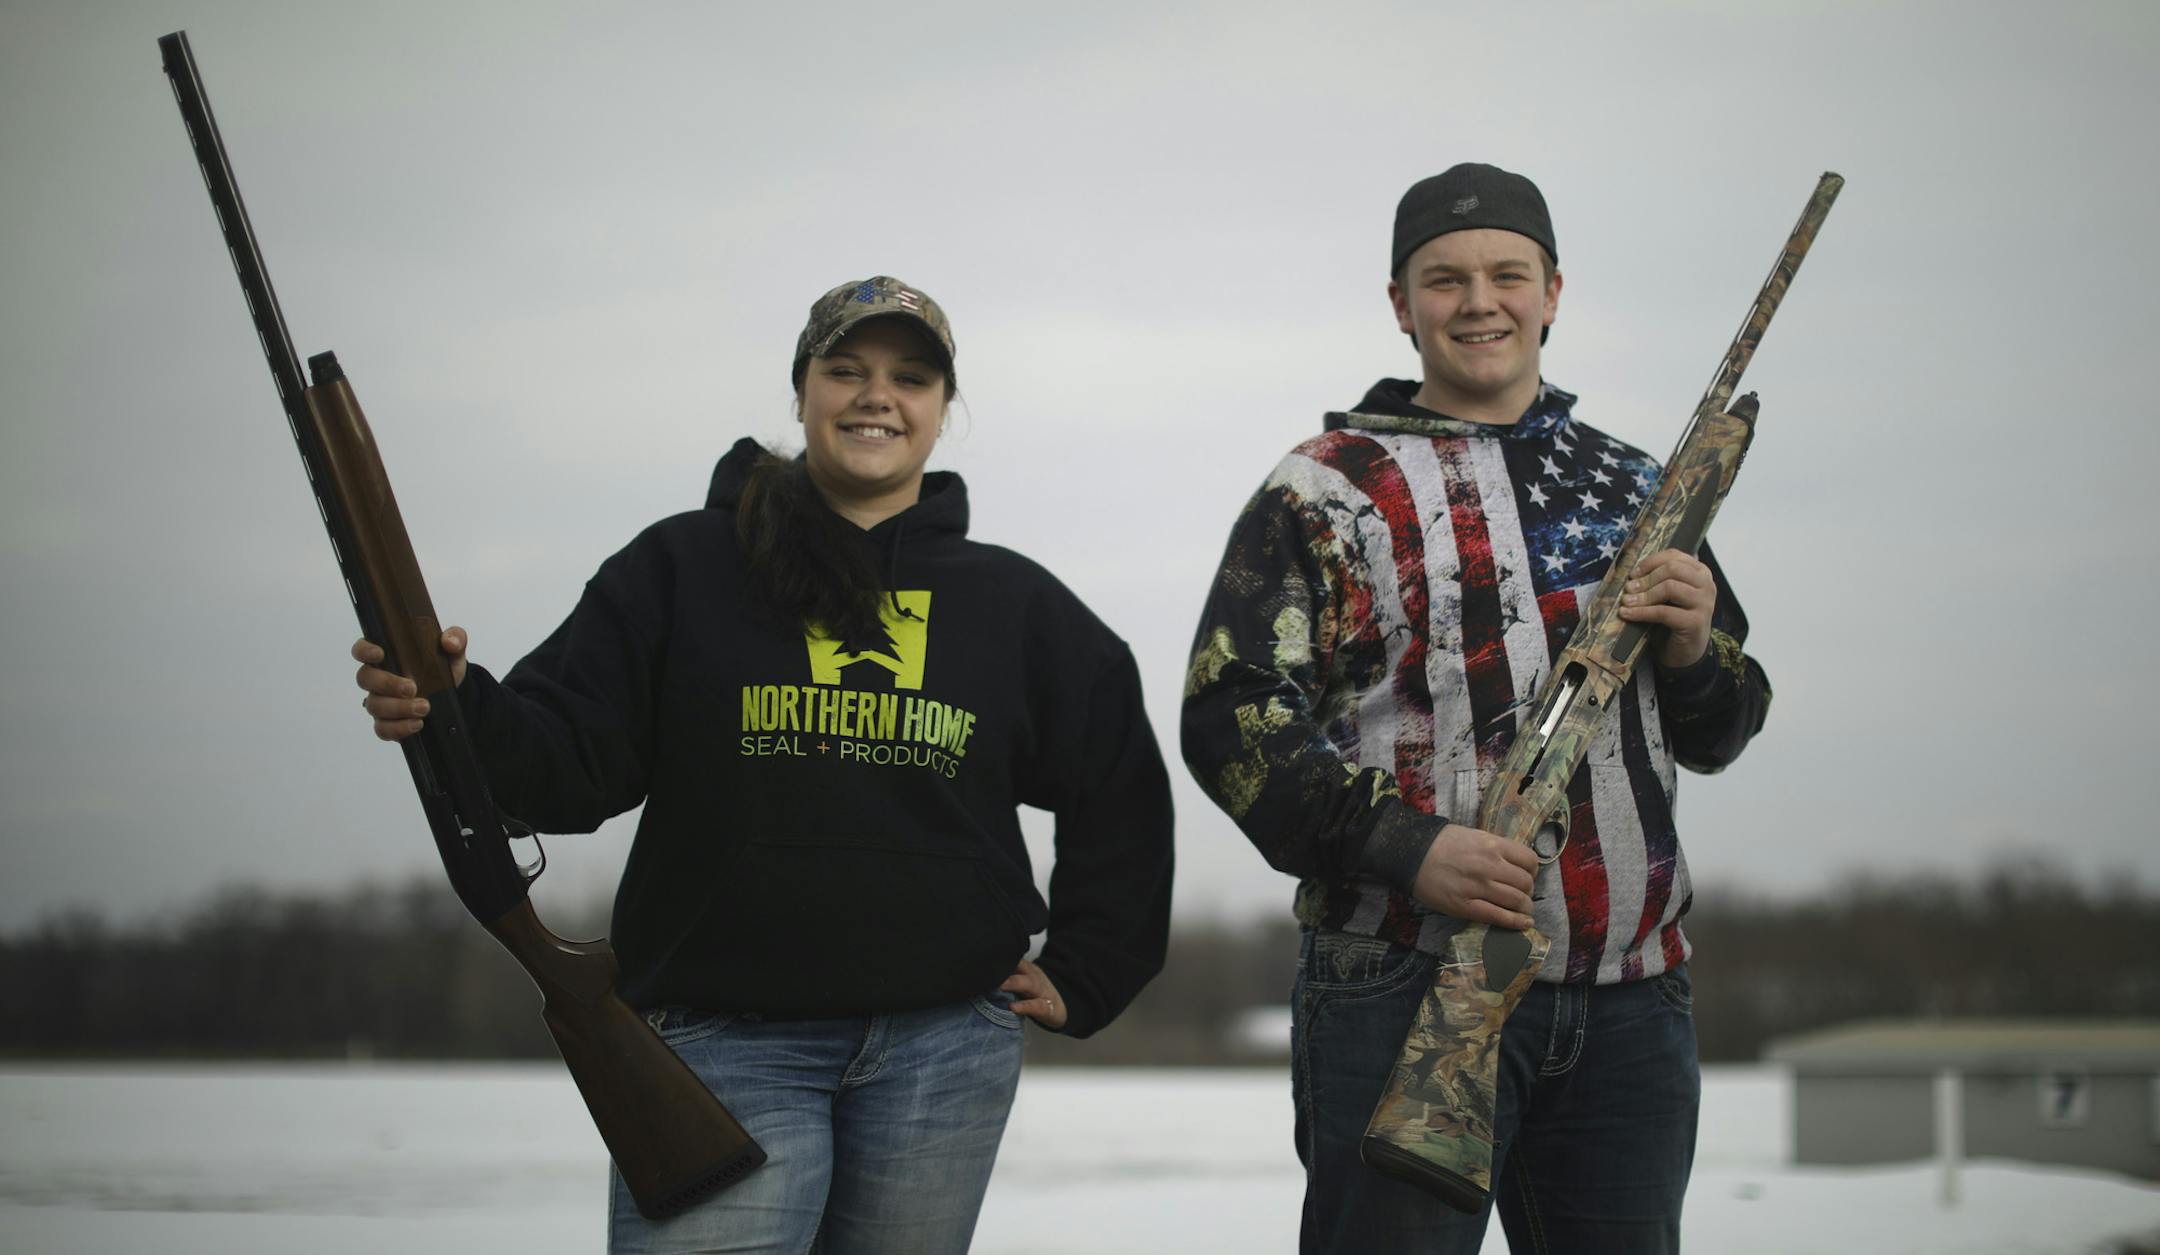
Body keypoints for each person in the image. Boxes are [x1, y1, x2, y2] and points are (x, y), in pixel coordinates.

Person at [353, 275, 1175, 1253]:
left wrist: (1089, 966)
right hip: (720, 1045)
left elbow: (1118, 786)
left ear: (943, 411)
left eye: (911, 377)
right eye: (847, 370)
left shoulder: (1017, 607)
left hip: (941, 1054)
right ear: (801, 392)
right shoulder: (680, 568)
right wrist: (458, 707)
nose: (878, 395)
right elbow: (564, 758)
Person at [1180, 164, 1769, 1253]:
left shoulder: (1642, 486)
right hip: (1395, 982)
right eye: (1445, 278)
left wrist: (1693, 646)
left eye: (1509, 273)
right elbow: (1231, 719)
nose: (1480, 300)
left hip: (1632, 1002)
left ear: (1554, 291)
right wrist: (1408, 847)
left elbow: (1726, 725)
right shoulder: (1324, 486)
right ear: (1402, 305)